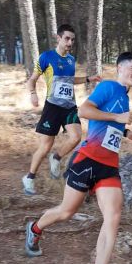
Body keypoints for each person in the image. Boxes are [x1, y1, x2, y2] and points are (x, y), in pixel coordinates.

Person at [25, 52, 132, 264]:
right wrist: (117, 119)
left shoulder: (123, 96)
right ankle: (35, 229)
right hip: (87, 161)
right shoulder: (109, 86)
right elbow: (85, 110)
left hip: (108, 167)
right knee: (66, 212)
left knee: (112, 217)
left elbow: (106, 123)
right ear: (120, 68)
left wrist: (126, 132)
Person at [22, 24, 101, 195]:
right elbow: (32, 79)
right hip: (53, 106)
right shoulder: (47, 57)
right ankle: (29, 178)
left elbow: (69, 80)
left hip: (69, 106)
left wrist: (89, 79)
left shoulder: (71, 60)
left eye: (72, 39)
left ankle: (56, 158)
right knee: (45, 146)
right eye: (67, 38)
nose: (70, 42)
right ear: (58, 38)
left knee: (76, 137)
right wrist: (33, 93)